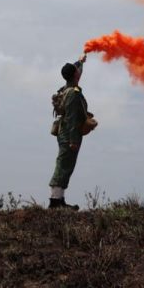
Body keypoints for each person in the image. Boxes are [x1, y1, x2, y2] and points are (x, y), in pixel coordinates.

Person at [49, 54, 90, 209]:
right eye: (77, 71)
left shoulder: (66, 88)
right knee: (63, 165)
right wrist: (73, 140)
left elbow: (76, 70)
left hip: (64, 132)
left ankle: (60, 200)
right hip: (69, 134)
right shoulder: (73, 93)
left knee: (66, 165)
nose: (79, 72)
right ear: (74, 75)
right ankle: (55, 201)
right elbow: (73, 118)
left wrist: (80, 61)